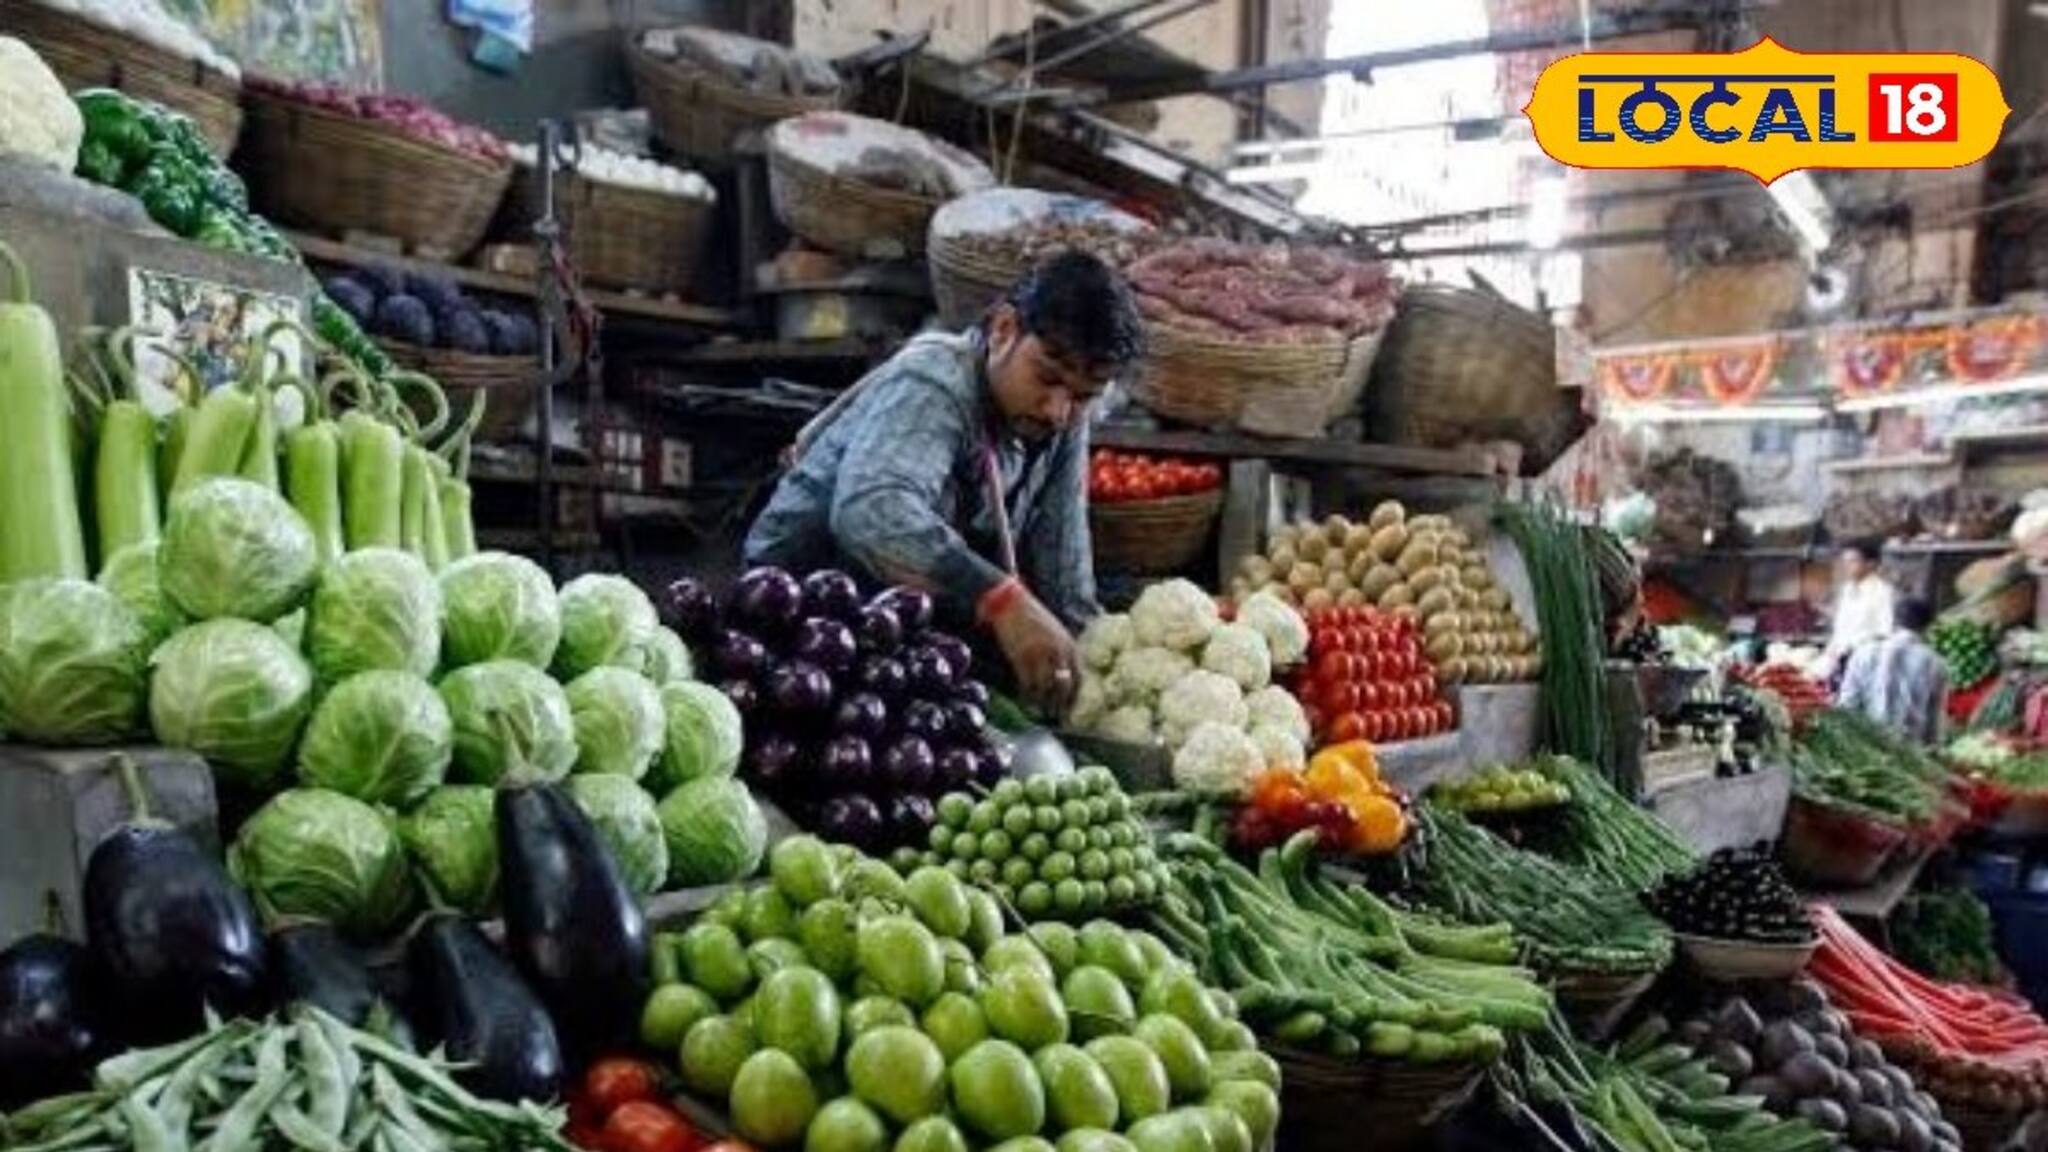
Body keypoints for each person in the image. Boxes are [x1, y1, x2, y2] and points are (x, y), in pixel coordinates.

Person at [744, 250, 1144, 712]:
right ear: (1003, 331)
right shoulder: (934, 382)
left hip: (900, 619)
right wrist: (1001, 598)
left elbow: (1064, 566)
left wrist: (1093, 670)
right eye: (1046, 377)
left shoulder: (1063, 416)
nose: (1059, 410)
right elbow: (871, 511)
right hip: (801, 613)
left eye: (1083, 396)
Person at [1836, 597, 1949, 745]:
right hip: (1910, 754)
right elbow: (1934, 720)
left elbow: (1847, 705)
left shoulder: (1864, 653)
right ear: (1927, 627)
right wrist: (1934, 750)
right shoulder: (1935, 664)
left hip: (1862, 748)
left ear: (1894, 622)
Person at [1822, 539, 1897, 678]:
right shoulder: (1847, 589)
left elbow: (1885, 632)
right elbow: (1840, 629)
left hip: (1866, 663)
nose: (1846, 566)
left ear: (1871, 564)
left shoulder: (1882, 592)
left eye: (1853, 561)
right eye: (1844, 561)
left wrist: (1855, 648)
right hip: (1840, 659)